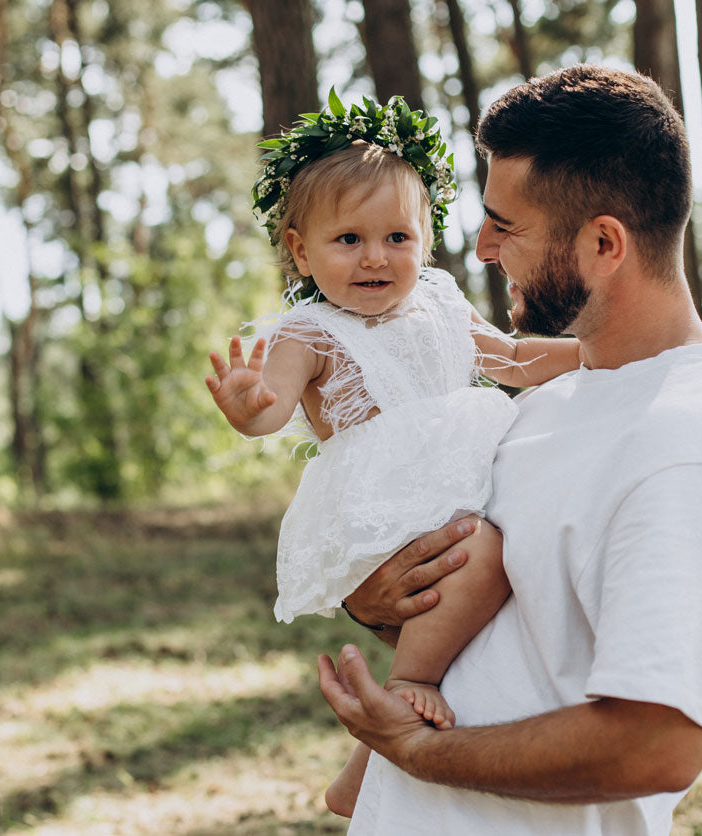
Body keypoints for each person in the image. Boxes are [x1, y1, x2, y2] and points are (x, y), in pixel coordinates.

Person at [318, 64, 702, 835]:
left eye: (507, 224)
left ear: (604, 244)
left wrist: (420, 751)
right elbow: (511, 616)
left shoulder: (690, 445)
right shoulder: (551, 401)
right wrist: (376, 598)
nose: (484, 248)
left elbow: (657, 743)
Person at [205, 93, 583, 813]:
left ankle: (370, 762)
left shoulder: (439, 299)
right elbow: (274, 407)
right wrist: (251, 408)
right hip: (387, 511)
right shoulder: (307, 332)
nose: (375, 257)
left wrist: (594, 354)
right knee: (483, 556)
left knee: (504, 564)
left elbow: (508, 358)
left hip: (455, 481)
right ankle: (407, 691)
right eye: (348, 240)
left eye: (397, 238)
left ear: (425, 241)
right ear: (300, 250)